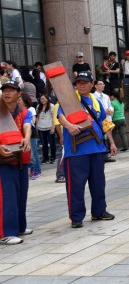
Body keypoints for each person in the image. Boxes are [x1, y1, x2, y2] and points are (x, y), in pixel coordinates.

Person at [58, 71, 118, 228]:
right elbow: (60, 116)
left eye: (85, 82)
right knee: (76, 185)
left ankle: (99, 211)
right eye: (78, 82)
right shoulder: (68, 99)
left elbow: (104, 122)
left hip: (97, 149)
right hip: (76, 151)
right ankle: (76, 217)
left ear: (92, 84)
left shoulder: (96, 101)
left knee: (98, 183)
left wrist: (111, 142)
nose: (81, 85)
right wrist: (69, 126)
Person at [0, 80, 32, 245]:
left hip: (21, 158)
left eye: (11, 90)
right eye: (4, 90)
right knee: (8, 196)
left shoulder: (24, 112)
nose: (7, 93)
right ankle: (7, 232)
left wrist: (26, 138)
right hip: (4, 160)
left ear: (19, 93)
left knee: (21, 194)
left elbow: (27, 126)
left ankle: (20, 226)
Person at [19, 94, 41, 179]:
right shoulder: (18, 111)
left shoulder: (30, 109)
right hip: (24, 133)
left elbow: (33, 120)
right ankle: (32, 170)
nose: (18, 101)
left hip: (31, 133)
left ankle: (37, 171)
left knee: (34, 152)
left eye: (20, 100)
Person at [37, 93, 56, 165]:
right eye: (41, 99)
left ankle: (53, 157)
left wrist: (53, 127)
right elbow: (38, 117)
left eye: (44, 99)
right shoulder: (39, 106)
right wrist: (36, 126)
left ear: (47, 99)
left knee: (52, 143)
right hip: (41, 127)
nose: (42, 100)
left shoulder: (51, 106)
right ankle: (45, 158)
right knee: (44, 144)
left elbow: (53, 117)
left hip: (49, 126)